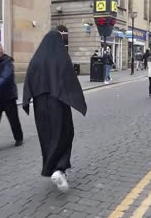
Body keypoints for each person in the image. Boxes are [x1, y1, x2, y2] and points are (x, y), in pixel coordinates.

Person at [22, 30, 87, 192]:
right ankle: (60, 168)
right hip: (58, 102)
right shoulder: (61, 57)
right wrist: (76, 100)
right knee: (65, 133)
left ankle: (50, 168)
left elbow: (29, 78)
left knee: (47, 137)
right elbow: (69, 79)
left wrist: (26, 100)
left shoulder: (36, 58)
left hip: (39, 105)